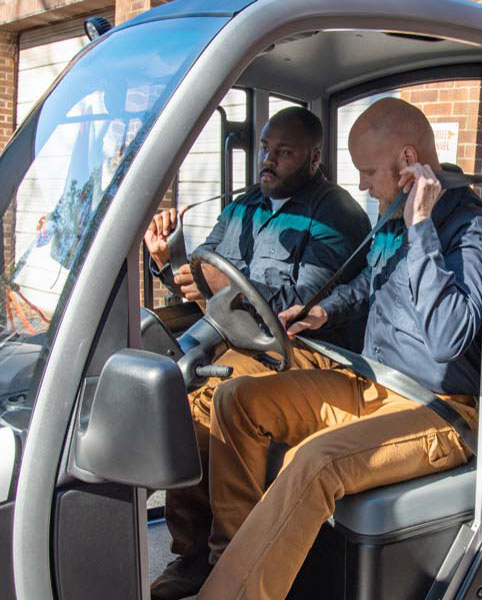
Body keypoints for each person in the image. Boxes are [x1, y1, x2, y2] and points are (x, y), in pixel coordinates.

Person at [194, 97, 482, 599]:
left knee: (314, 460)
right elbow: (373, 285)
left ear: (408, 160)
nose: (361, 186)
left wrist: (421, 230)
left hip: (437, 409)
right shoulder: (392, 212)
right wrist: (327, 311)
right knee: (235, 401)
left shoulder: (469, 226)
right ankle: (234, 565)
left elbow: (448, 336)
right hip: (371, 379)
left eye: (368, 171)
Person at [146, 106, 372, 600]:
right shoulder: (244, 205)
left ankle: (232, 558)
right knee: (173, 388)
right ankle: (190, 552)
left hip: (306, 349)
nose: (267, 161)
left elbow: (301, 303)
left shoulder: (336, 213)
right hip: (237, 337)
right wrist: (170, 261)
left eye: (282, 152)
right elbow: (200, 274)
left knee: (213, 397)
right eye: (265, 149)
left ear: (314, 158)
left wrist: (215, 281)